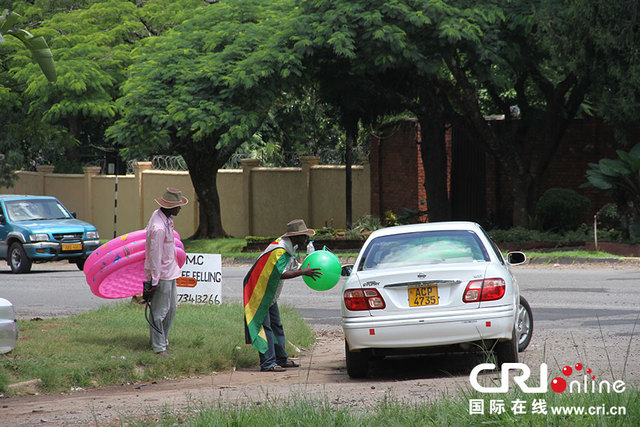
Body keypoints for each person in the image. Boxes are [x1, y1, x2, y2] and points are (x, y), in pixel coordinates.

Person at [243, 219, 322, 372]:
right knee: (264, 326)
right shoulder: (279, 250)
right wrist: (302, 272)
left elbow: (292, 265)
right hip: (259, 291)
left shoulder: (289, 247)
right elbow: (281, 273)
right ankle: (268, 363)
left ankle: (281, 359)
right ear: (295, 236)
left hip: (269, 292)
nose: (306, 239)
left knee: (276, 325)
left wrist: (305, 267)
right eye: (303, 236)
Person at [144, 187, 188, 356]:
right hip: (162, 274)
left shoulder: (164, 218)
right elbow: (155, 255)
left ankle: (164, 341)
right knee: (159, 312)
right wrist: (154, 280)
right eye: (178, 206)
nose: (180, 208)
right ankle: (158, 347)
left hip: (171, 271)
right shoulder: (159, 227)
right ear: (170, 207)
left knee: (172, 309)